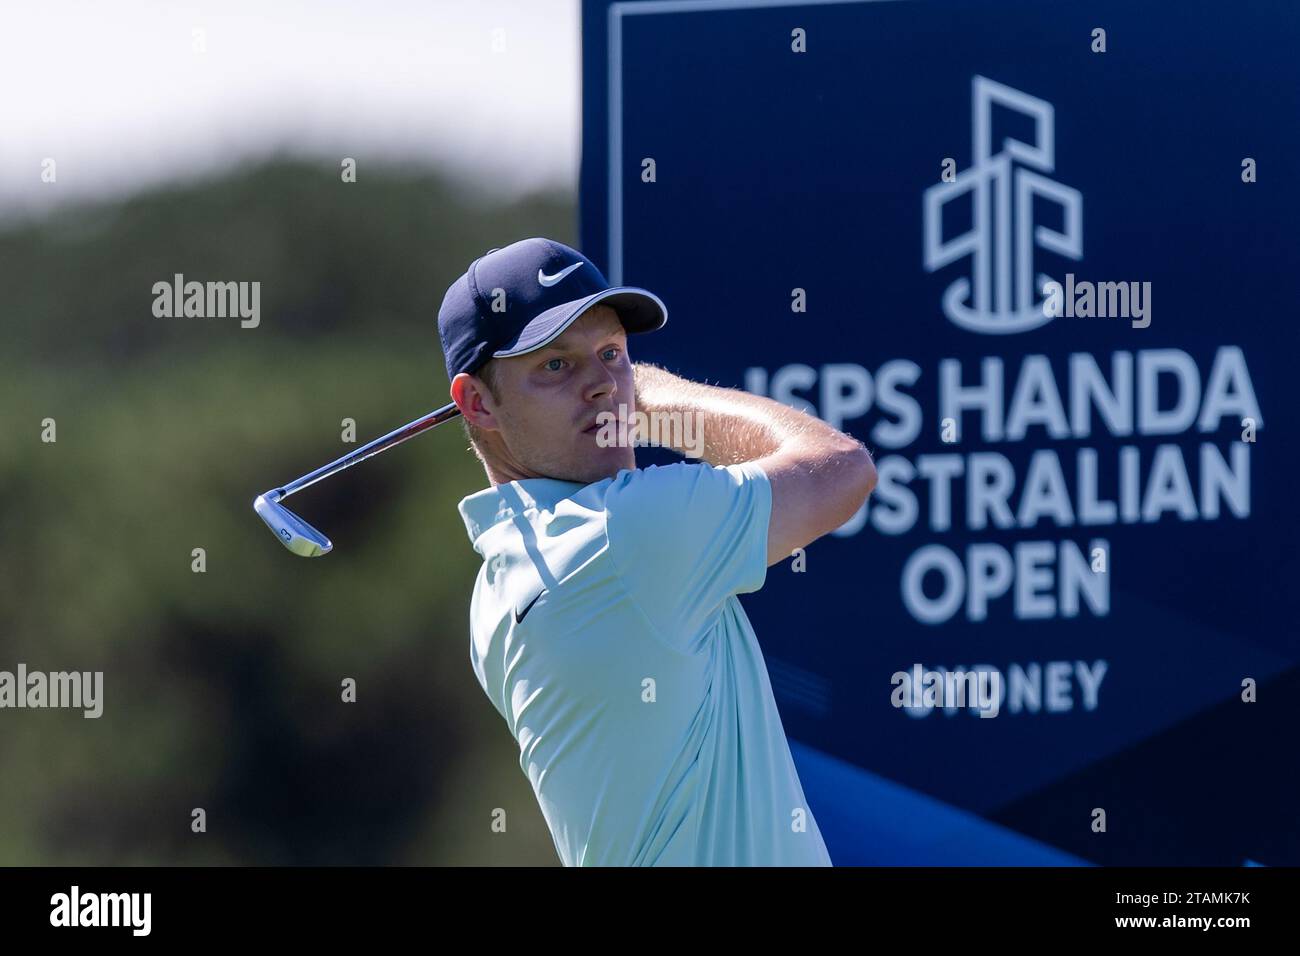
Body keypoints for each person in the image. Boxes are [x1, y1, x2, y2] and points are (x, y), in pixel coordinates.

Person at [438, 237, 876, 865]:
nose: (602, 385)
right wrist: (654, 396)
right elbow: (840, 470)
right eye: (555, 366)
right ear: (477, 403)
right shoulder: (623, 531)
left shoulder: (496, 587)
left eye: (612, 353)